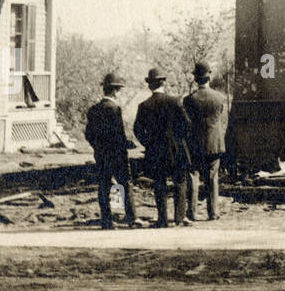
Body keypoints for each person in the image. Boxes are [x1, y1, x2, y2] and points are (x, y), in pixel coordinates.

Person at [133, 67, 193, 228]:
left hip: (156, 151)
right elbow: (187, 124)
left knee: (159, 184)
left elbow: (137, 130)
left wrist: (149, 143)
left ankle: (162, 219)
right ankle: (179, 218)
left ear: (150, 85)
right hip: (176, 149)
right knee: (180, 181)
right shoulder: (175, 101)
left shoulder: (144, 106)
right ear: (163, 82)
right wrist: (177, 139)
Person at [84, 73, 137, 230]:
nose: (119, 93)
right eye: (119, 90)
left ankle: (106, 220)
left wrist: (98, 147)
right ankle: (131, 218)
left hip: (101, 154)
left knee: (104, 186)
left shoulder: (93, 110)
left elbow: (89, 134)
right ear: (114, 91)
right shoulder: (114, 109)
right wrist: (126, 145)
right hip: (117, 155)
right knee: (125, 184)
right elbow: (118, 135)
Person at [183, 61, 228, 221]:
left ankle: (192, 212)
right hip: (214, 143)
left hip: (194, 144)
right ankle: (213, 212)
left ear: (195, 79)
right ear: (210, 76)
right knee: (212, 178)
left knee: (193, 177)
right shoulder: (220, 98)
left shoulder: (188, 100)